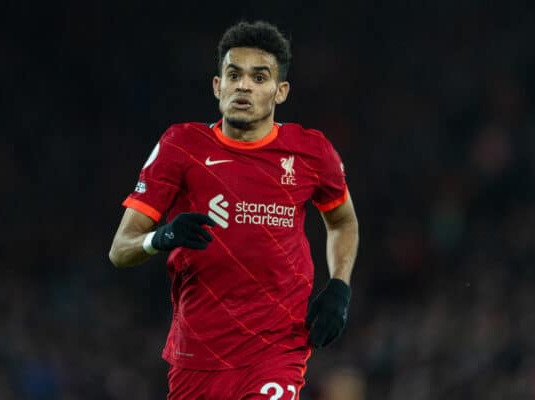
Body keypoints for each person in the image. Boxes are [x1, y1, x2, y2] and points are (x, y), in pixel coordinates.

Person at [109, 20, 359, 400]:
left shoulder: (311, 151)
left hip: (277, 349)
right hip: (198, 354)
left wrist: (339, 285)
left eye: (259, 77)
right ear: (217, 86)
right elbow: (120, 249)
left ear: (281, 92)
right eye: (234, 74)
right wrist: (160, 237)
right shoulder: (181, 145)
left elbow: (342, 222)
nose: (244, 85)